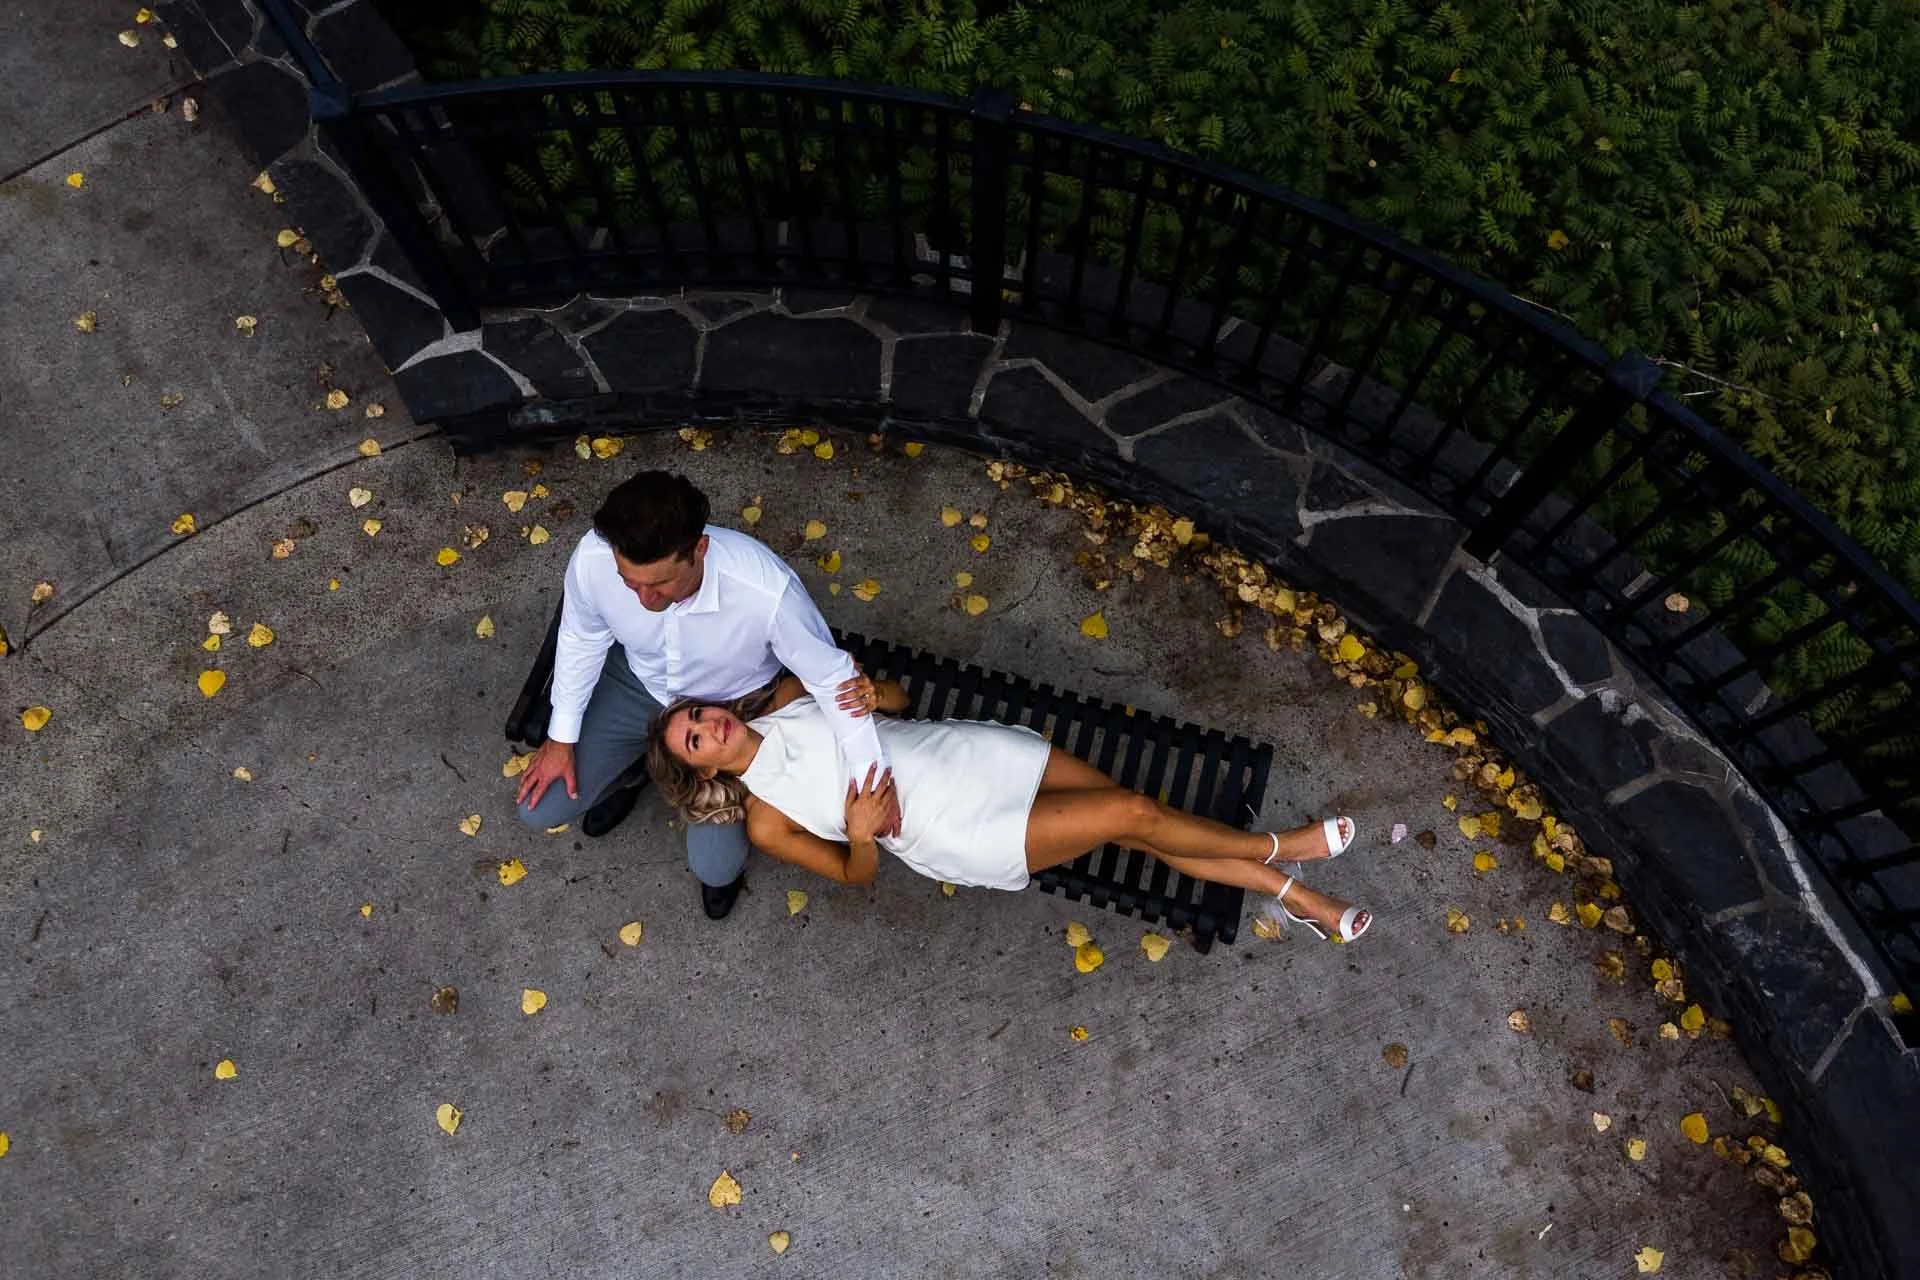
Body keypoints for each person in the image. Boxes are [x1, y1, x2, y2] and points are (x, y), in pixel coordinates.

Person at [643, 676, 1372, 942]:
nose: (710, 724)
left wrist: (875, 695)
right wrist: (862, 834)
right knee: (1133, 813)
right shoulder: (769, 821)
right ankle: (1282, 848)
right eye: (696, 738)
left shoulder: (784, 696)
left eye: (700, 714)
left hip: (969, 754)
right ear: (700, 768)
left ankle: (1301, 899)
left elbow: (898, 701)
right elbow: (855, 875)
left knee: (1142, 827)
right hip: (957, 829)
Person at [515, 470, 894, 920]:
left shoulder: (767, 592)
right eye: (629, 582)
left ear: (699, 550)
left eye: (659, 585)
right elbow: (582, 636)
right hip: (638, 683)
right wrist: (561, 737)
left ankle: (660, 771)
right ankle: (633, 771)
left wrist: (872, 783)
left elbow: (835, 685)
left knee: (715, 867)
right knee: (538, 810)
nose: (642, 599)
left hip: (728, 713)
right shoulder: (595, 557)